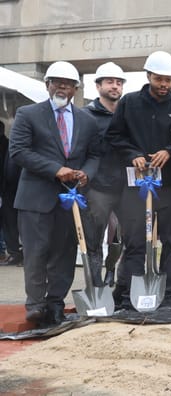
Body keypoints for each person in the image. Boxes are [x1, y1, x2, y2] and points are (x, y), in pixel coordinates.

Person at [9, 61, 101, 325]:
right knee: (36, 253)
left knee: (64, 254)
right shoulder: (28, 114)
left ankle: (55, 304)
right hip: (36, 198)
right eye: (57, 82)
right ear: (47, 85)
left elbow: (94, 155)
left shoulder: (87, 120)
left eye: (68, 84)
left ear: (75, 89)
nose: (62, 87)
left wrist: (86, 173)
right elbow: (19, 151)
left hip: (70, 200)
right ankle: (35, 305)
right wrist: (55, 169)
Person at [106, 51, 171, 308]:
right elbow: (114, 136)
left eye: (168, 80)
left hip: (170, 185)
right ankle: (130, 293)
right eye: (159, 79)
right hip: (135, 187)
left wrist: (170, 150)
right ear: (148, 76)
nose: (164, 85)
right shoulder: (129, 103)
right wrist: (133, 155)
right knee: (135, 241)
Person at [82, 62, 126, 287]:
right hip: (98, 187)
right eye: (110, 82)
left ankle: (112, 273)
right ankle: (95, 283)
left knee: (121, 237)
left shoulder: (127, 114)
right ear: (98, 85)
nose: (115, 87)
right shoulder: (86, 116)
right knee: (94, 238)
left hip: (126, 187)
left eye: (119, 83)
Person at [0, 125, 23, 267]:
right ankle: (15, 252)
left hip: (13, 189)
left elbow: (11, 171)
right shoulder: (10, 143)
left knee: (13, 224)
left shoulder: (11, 144)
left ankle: (16, 253)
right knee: (10, 224)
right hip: (9, 189)